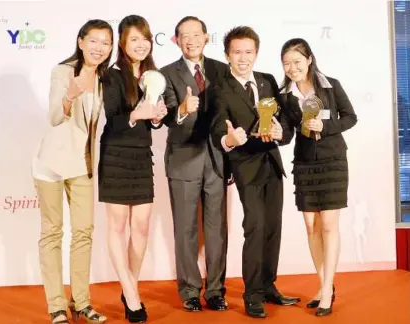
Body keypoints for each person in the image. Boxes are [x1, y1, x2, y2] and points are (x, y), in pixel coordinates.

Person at [210, 26, 300, 318]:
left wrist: (278, 133)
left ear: (256, 53)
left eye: (249, 52)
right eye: (237, 52)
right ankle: (252, 294)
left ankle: (268, 285)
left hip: (271, 163)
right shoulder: (220, 87)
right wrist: (229, 140)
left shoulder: (267, 81)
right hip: (245, 164)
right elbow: (216, 131)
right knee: (256, 226)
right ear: (227, 55)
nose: (243, 58)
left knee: (273, 227)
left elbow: (284, 124)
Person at [32, 19, 113, 324]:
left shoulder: (106, 79)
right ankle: (56, 305)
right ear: (80, 42)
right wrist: (70, 96)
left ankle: (81, 302)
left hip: (82, 164)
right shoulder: (63, 71)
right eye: (93, 41)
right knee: (52, 232)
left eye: (105, 42)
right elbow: (54, 116)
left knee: (84, 233)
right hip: (51, 165)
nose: (99, 48)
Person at [278, 38, 357, 317]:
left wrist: (326, 124)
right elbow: (287, 132)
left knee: (327, 226)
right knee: (311, 226)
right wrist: (277, 134)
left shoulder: (330, 85)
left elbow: (350, 117)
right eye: (286, 63)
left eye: (297, 62)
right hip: (304, 164)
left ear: (309, 59)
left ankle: (326, 292)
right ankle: (326, 284)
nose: (292, 68)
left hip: (332, 161)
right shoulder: (284, 95)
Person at [97, 15, 167, 323]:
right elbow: (111, 120)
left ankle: (130, 288)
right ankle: (132, 294)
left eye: (145, 38)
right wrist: (136, 115)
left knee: (141, 225)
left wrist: (156, 116)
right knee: (118, 226)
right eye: (134, 39)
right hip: (115, 154)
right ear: (123, 43)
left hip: (141, 155)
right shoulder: (112, 76)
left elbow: (155, 117)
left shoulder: (154, 76)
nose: (141, 44)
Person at [159, 16, 230, 312]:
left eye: (196, 34)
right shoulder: (164, 74)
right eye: (184, 36)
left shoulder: (221, 70)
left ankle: (215, 290)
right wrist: (182, 110)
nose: (191, 40)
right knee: (185, 229)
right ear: (176, 40)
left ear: (206, 37)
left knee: (216, 230)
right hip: (183, 159)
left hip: (217, 159)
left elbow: (230, 113)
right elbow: (165, 119)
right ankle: (189, 290)